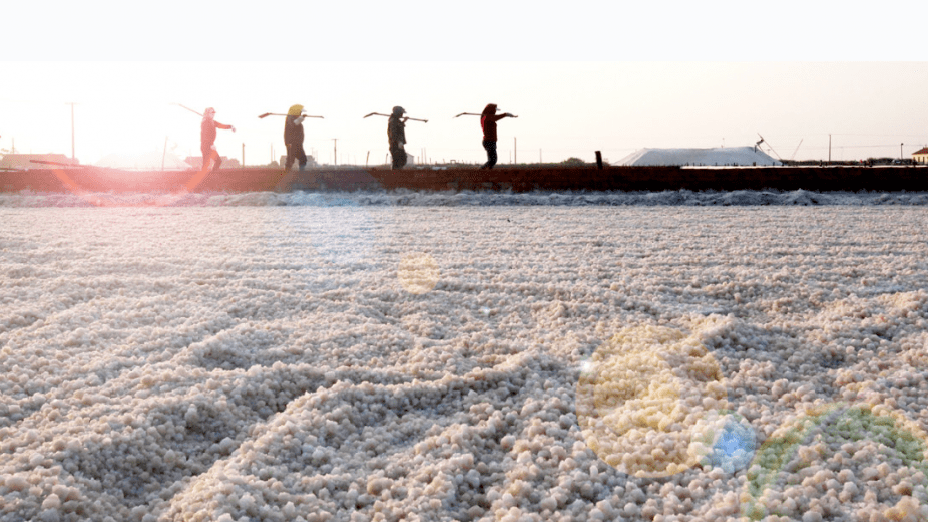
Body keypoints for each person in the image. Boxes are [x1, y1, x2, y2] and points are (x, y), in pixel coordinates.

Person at [479, 103, 515, 170]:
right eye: (494, 110)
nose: (495, 112)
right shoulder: (488, 118)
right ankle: (481, 169)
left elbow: (495, 117)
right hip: (489, 141)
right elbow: (496, 117)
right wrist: (506, 114)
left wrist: (506, 114)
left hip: (490, 141)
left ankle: (489, 172)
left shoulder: (486, 117)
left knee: (492, 160)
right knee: (493, 160)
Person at [200, 107, 235, 173]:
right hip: (206, 146)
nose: (213, 114)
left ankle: (212, 177)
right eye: (211, 113)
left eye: (213, 113)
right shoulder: (205, 123)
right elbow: (205, 135)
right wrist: (210, 144)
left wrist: (230, 126)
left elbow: (221, 125)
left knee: (218, 161)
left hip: (209, 146)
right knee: (206, 164)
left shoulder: (212, 122)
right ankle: (205, 180)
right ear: (207, 114)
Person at [284, 104, 308, 171]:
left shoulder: (293, 118)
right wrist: (302, 117)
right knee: (291, 158)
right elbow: (294, 124)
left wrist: (301, 118)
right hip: (292, 142)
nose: (300, 113)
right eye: (300, 112)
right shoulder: (290, 119)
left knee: (302, 158)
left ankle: (301, 171)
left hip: (297, 142)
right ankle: (288, 171)